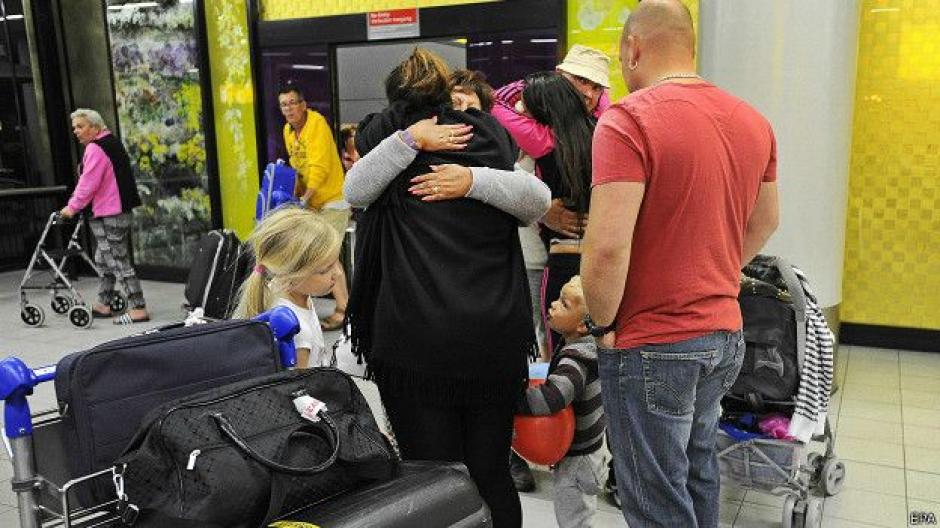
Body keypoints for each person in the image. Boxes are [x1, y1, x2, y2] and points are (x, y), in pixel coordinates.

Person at [580, 1, 780, 527]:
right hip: (723, 335)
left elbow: (605, 248)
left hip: (652, 341)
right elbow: (766, 221)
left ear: (633, 48)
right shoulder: (752, 119)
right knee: (697, 471)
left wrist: (601, 324)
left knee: (654, 495)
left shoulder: (627, 120)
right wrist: (713, 270)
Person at [344, 48, 550, 528]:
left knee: (434, 479)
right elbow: (535, 198)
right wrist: (474, 175)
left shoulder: (382, 139)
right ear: (446, 95)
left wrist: (413, 143)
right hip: (493, 338)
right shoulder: (489, 137)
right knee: (491, 470)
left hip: (416, 343)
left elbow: (356, 190)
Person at [515, 276, 606, 528]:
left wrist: (512, 400)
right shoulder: (585, 347)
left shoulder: (576, 361)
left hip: (579, 460)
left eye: (564, 304)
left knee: (574, 519)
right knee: (580, 514)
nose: (552, 305)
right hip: (587, 451)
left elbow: (552, 399)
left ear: (583, 326)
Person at [59, 108, 149, 325]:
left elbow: (88, 183)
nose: (76, 132)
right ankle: (104, 303)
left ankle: (138, 308)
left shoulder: (96, 148)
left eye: (80, 127)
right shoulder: (111, 143)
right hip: (117, 211)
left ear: (95, 127)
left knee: (117, 260)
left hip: (109, 213)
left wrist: (71, 207)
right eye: (74, 128)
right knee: (104, 259)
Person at [234, 206, 341, 369]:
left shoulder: (282, 287)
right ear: (291, 275)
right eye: (325, 270)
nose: (338, 273)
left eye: (337, 262)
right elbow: (299, 388)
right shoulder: (299, 333)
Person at [278, 85, 349, 331]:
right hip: (312, 201)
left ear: (303, 104)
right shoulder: (288, 130)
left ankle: (343, 309)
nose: (288, 109)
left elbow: (319, 168)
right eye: (284, 105)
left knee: (327, 255)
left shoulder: (316, 124)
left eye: (292, 103)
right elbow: (297, 168)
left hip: (333, 199)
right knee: (319, 254)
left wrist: (304, 199)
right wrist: (295, 195)